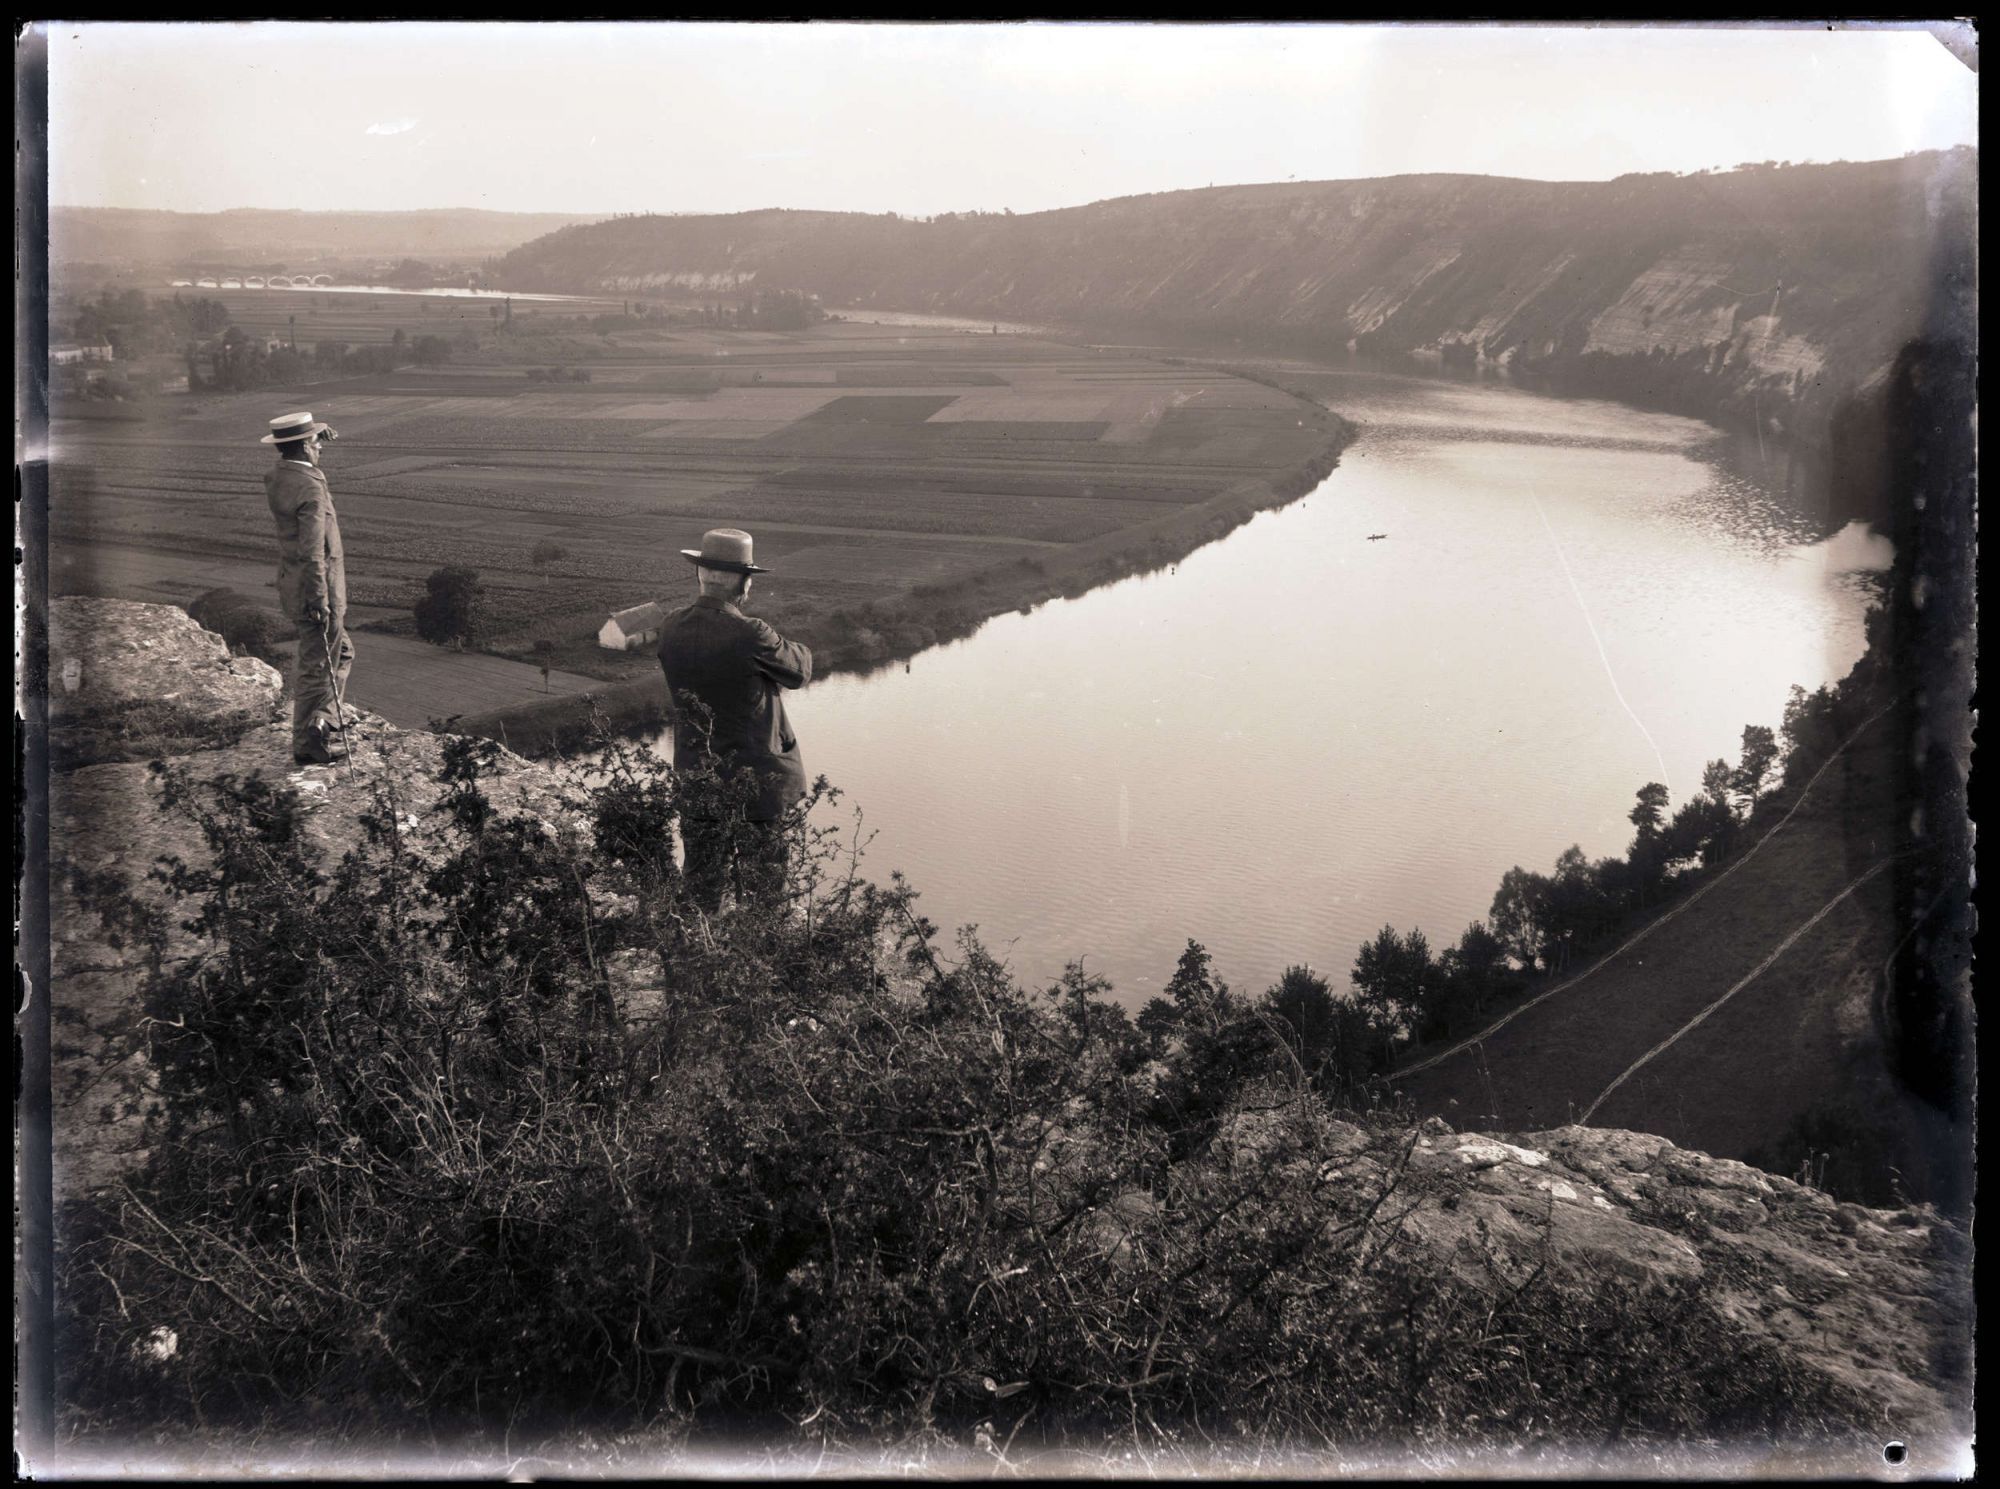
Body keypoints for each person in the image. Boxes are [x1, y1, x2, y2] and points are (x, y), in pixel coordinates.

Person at [657, 528, 813, 911]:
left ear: (700, 574)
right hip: (757, 784)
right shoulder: (751, 633)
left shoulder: (671, 626)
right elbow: (799, 671)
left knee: (701, 883)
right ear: (744, 584)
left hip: (698, 777)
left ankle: (696, 943)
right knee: (766, 892)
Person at [262, 411, 353, 765]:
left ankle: (323, 720)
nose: (321, 448)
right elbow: (313, 549)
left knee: (342, 652)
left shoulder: (280, 475)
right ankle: (309, 743)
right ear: (303, 446)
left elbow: (302, 466)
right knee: (318, 666)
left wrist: (316, 433)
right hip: (318, 588)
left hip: (293, 583)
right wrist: (319, 598)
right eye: (315, 443)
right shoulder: (310, 488)